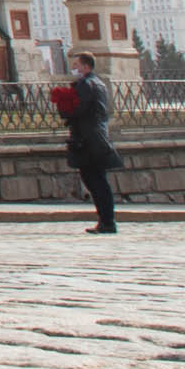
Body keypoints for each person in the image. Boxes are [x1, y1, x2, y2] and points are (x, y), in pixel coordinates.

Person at [61, 52, 120, 234]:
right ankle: (106, 221)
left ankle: (107, 222)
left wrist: (64, 108)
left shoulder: (86, 85)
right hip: (98, 136)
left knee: (95, 181)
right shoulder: (99, 83)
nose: (74, 68)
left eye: (77, 65)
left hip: (88, 139)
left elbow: (79, 109)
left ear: (86, 66)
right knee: (98, 180)